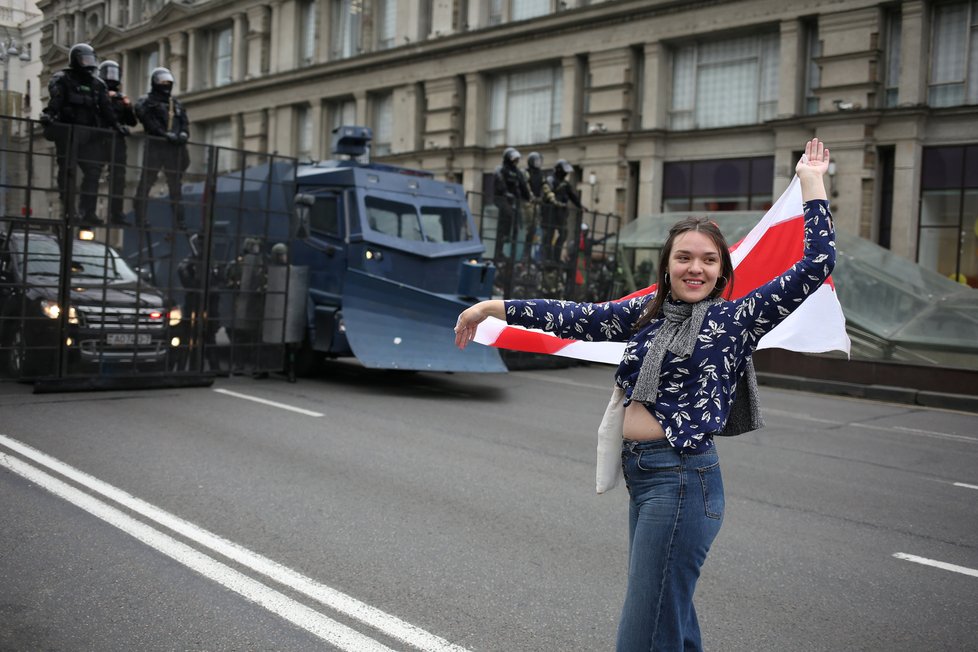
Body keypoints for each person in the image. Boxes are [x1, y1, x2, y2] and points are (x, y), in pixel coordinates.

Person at [455, 139, 836, 651]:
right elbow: (578, 317)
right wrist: (495, 306)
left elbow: (816, 264)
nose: (694, 268)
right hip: (646, 478)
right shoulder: (646, 317)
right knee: (670, 620)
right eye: (683, 258)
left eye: (706, 260)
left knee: (645, 630)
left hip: (683, 480)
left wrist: (812, 184)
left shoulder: (737, 318)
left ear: (722, 270)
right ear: (667, 266)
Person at [39, 43, 120, 226]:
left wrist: (115, 125)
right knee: (67, 171)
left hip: (89, 136)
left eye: (91, 60)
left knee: (93, 172)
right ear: (76, 60)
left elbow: (106, 108)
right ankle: (68, 210)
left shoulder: (98, 84)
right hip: (67, 133)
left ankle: (88, 211)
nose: (89, 64)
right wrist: (49, 115)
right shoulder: (62, 79)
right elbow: (56, 101)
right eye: (85, 60)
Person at [134, 67, 190, 230]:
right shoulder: (147, 101)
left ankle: (179, 220)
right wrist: (163, 134)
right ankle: (140, 218)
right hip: (155, 148)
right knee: (147, 182)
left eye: (168, 82)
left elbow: (184, 122)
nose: (166, 85)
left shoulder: (176, 103)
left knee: (175, 186)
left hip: (173, 150)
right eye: (163, 82)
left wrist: (184, 134)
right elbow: (147, 120)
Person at [97, 60, 137, 226]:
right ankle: (89, 212)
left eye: (114, 74)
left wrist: (127, 107)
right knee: (93, 175)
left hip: (117, 141)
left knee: (118, 177)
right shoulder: (97, 94)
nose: (112, 78)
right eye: (109, 73)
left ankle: (116, 213)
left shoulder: (121, 99)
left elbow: (132, 122)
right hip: (99, 138)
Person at [492, 147, 531, 262]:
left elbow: (523, 186)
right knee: (508, 216)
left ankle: (511, 251)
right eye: (514, 159)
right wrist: (505, 193)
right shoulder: (500, 170)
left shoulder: (517, 172)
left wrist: (528, 197)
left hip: (514, 201)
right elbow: (500, 183)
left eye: (517, 160)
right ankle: (499, 250)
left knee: (515, 225)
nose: (516, 162)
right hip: (501, 199)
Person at [541, 159, 582, 264]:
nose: (566, 173)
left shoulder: (565, 184)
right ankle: (547, 258)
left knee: (563, 233)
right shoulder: (551, 180)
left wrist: (580, 206)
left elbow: (572, 196)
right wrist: (555, 201)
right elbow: (548, 194)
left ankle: (555, 257)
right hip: (550, 213)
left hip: (561, 213)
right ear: (559, 170)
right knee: (549, 236)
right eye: (564, 171)